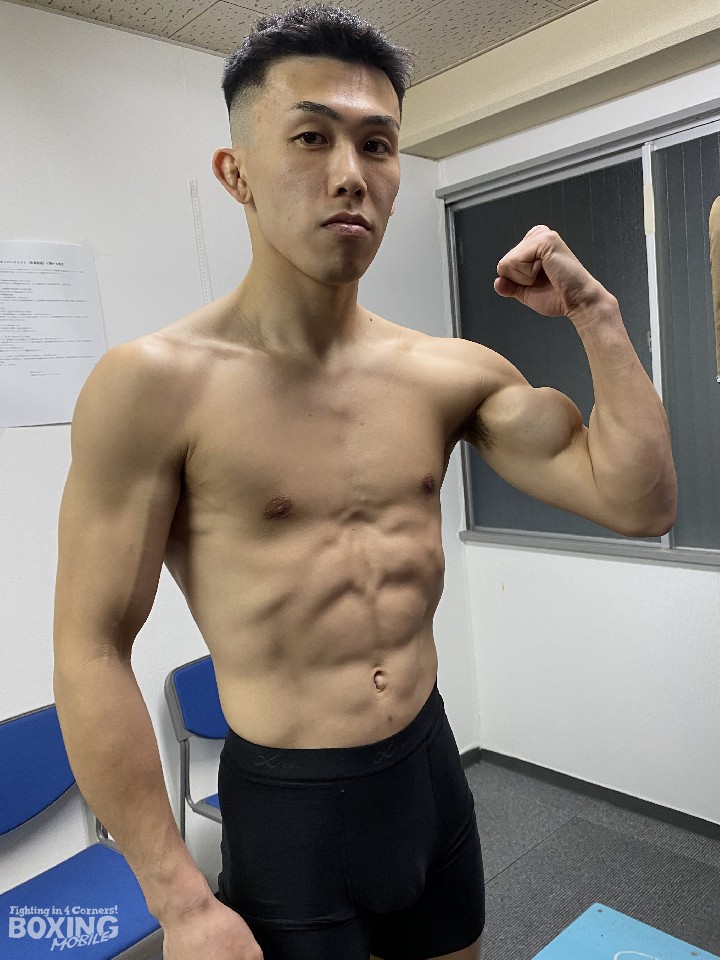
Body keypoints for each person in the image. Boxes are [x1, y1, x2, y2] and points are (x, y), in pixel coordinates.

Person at [52, 5, 678, 960]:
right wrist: (179, 902)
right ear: (237, 174)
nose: (351, 172)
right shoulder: (153, 387)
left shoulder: (450, 373)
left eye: (378, 144)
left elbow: (641, 502)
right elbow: (91, 647)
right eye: (312, 137)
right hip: (292, 806)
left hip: (427, 767)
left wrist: (596, 312)